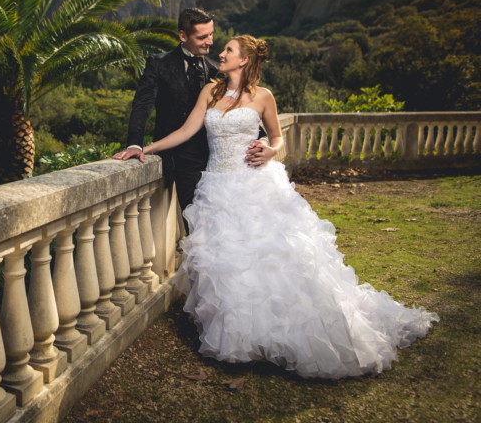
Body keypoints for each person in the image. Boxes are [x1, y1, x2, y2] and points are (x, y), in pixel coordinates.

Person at [136, 34, 439, 378]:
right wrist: (145, 148)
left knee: (273, 258)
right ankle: (241, 337)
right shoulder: (211, 91)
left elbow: (278, 137)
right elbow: (188, 130)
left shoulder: (264, 96)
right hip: (217, 186)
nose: (221, 54)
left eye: (229, 50)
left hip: (255, 184)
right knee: (231, 262)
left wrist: (269, 147)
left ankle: (287, 329)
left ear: (245, 60)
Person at [113, 8, 274, 214]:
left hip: (215, 160)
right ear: (183, 36)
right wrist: (136, 144)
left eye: (211, 34)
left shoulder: (218, 70)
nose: (210, 42)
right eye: (202, 37)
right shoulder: (159, 64)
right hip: (178, 158)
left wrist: (263, 140)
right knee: (198, 226)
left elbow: (241, 112)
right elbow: (142, 105)